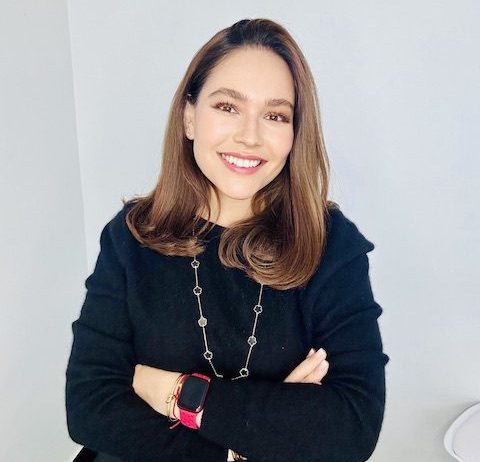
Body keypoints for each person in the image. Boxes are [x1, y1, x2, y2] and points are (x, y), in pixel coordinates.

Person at [65, 18, 389, 462]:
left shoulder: (330, 244)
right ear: (189, 117)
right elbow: (90, 407)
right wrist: (246, 446)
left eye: (275, 115)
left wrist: (176, 392)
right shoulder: (132, 236)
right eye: (227, 107)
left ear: (295, 134)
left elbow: (352, 426)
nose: (250, 136)